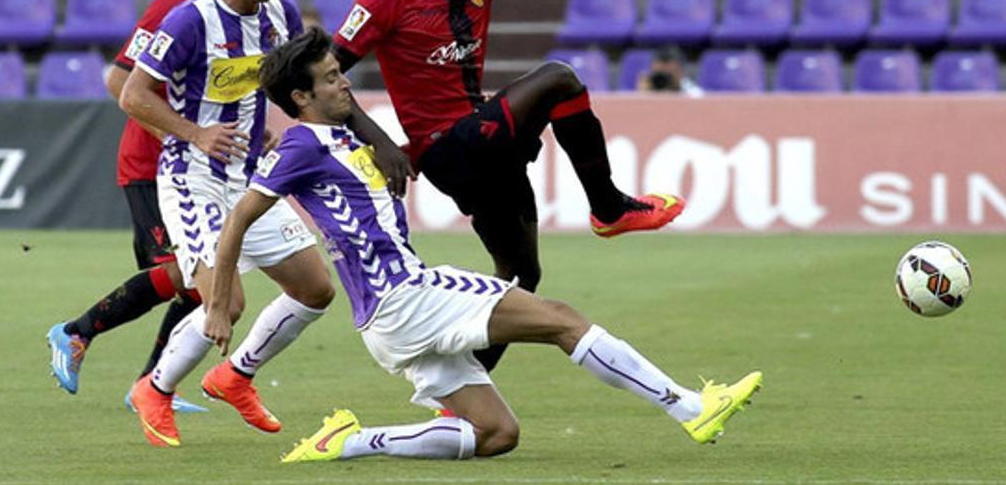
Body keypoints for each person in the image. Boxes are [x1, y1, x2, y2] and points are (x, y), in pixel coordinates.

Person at [202, 31, 762, 463]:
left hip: (388, 319)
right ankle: (691, 407)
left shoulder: (338, 134)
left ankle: (348, 442)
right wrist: (218, 299)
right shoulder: (302, 146)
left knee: (496, 435)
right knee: (562, 320)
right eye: (329, 79)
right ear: (301, 96)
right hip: (404, 296)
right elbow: (239, 220)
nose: (344, 83)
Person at [330, 0, 682, 372]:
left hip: (482, 148)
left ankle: (462, 393)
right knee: (559, 80)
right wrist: (378, 141)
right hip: (446, 149)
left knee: (520, 280)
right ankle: (608, 208)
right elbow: (325, 72)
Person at [119, 0, 334, 448]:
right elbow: (132, 93)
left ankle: (235, 376)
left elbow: (282, 80)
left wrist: (271, 125)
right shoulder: (188, 21)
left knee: (315, 289)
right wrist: (194, 132)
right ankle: (155, 388)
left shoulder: (279, 14)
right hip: (193, 178)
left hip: (249, 176)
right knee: (226, 301)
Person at [46, 0, 246, 415]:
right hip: (155, 165)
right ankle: (76, 333)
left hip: (209, 170)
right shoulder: (174, 8)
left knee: (198, 287)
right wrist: (184, 134)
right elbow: (119, 80)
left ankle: (153, 387)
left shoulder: (244, 11)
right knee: (191, 279)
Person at [637, 48, 704, 96]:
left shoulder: (692, 93)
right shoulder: (650, 87)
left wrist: (675, 93)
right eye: (659, 75)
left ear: (680, 72)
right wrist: (643, 95)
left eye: (668, 76)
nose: (662, 80)